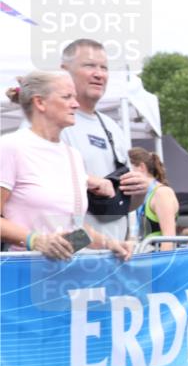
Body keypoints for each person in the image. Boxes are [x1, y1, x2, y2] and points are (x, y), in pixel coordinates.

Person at [1, 71, 131, 261]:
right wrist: (35, 241)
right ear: (40, 103)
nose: (76, 104)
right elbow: (41, 239)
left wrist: (109, 243)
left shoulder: (73, 155)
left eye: (75, 97)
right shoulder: (10, 146)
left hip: (64, 278)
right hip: (20, 277)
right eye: (67, 97)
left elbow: (73, 233)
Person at [60, 38, 151, 241]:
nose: (99, 74)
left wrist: (139, 192)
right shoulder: (52, 122)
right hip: (70, 257)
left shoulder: (111, 127)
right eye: (89, 65)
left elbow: (122, 205)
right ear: (65, 71)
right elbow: (43, 195)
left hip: (112, 257)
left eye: (104, 68)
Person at [128, 147, 179, 250]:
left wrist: (163, 265)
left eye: (128, 169)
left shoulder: (162, 193)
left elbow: (169, 238)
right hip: (144, 259)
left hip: (157, 260)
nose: (125, 174)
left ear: (141, 167)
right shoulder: (139, 196)